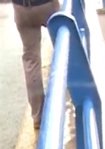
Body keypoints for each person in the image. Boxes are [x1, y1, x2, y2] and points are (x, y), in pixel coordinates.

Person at [12, 0, 59, 130]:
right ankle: (74, 95)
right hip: (46, 5)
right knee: (64, 44)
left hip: (22, 8)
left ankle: (38, 116)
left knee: (31, 59)